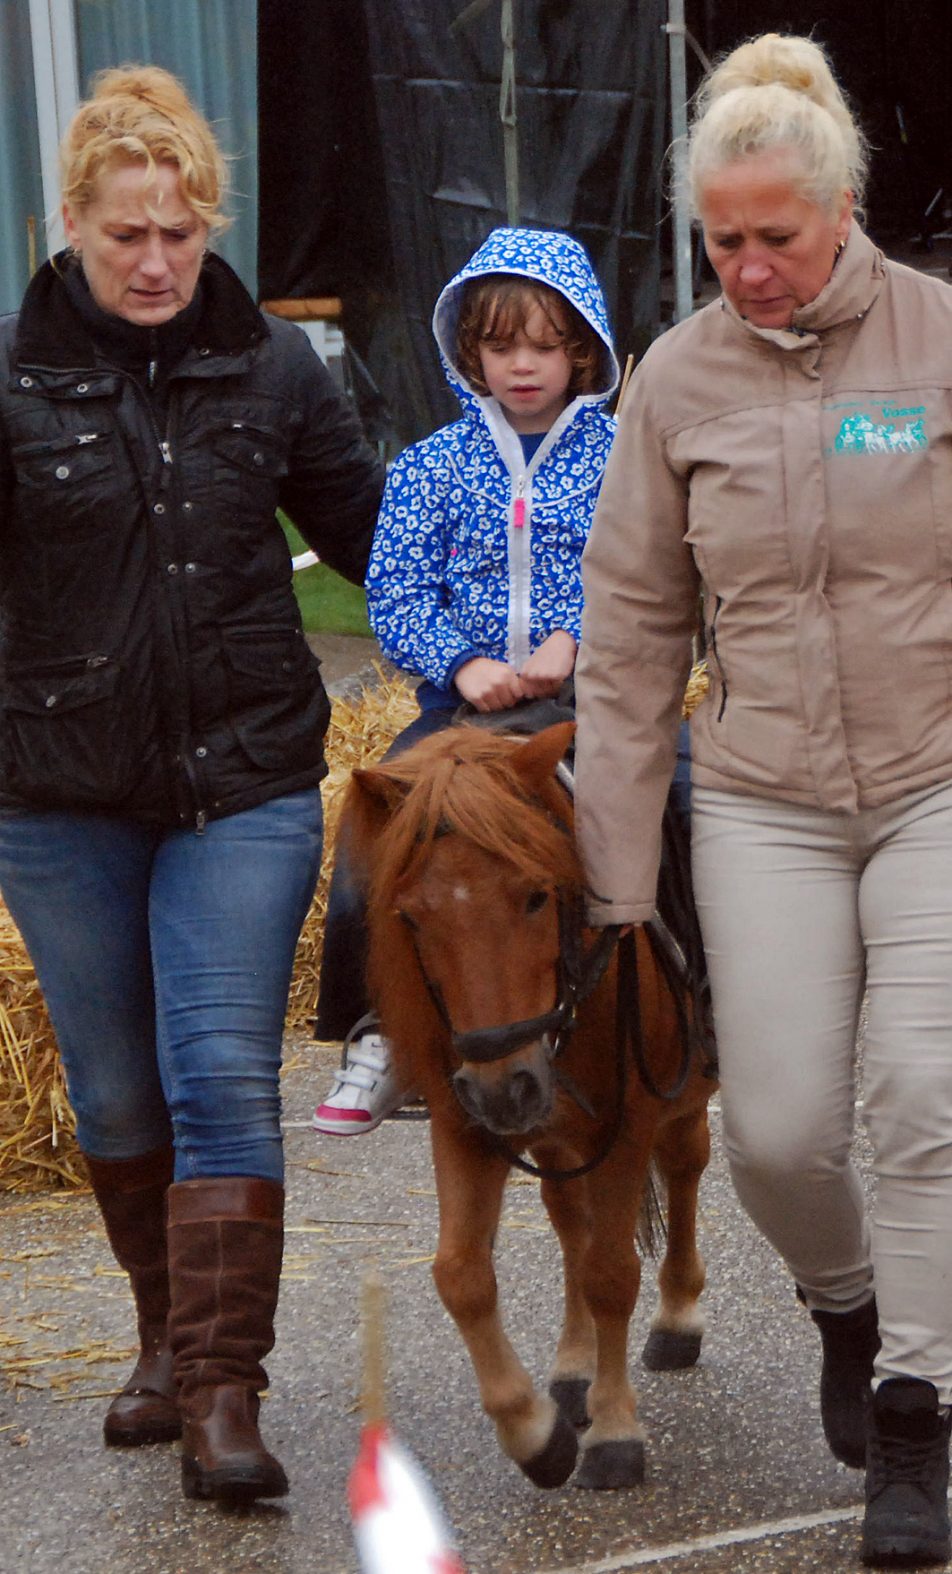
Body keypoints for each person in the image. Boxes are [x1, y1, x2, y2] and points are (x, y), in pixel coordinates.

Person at [573, 31, 952, 1569]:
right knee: (778, 1135)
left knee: (925, 1090)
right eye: (719, 241)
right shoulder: (675, 379)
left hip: (938, 779)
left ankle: (921, 1412)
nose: (747, 267)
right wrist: (614, 879)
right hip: (765, 797)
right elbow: (629, 633)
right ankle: (848, 1304)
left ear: (844, 205)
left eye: (774, 238)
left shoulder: (937, 344)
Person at [0, 67, 384, 1504]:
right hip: (56, 792)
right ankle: (163, 1334)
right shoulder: (11, 373)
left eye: (179, 231)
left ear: (209, 224)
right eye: (125, 235)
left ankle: (228, 1394)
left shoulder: (275, 369)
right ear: (73, 229)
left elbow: (367, 535)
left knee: (219, 1071)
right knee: (110, 1092)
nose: (156, 261)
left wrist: (491, 644)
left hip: (246, 783)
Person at [311, 225, 620, 1134]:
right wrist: (462, 663)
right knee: (373, 835)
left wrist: (579, 638)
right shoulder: (426, 469)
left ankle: (707, 1001)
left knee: (680, 800)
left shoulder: (620, 459)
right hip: (460, 714)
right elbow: (395, 591)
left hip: (587, 704)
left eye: (543, 345)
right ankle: (375, 1034)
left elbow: (651, 573)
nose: (521, 365)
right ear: (467, 352)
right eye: (499, 345)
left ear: (582, 350)